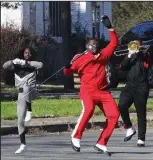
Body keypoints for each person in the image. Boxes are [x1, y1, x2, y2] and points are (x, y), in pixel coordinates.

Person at [63, 15, 119, 155]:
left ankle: (101, 143)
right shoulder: (80, 58)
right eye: (92, 45)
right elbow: (68, 72)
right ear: (87, 46)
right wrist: (67, 66)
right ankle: (76, 136)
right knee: (88, 110)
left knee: (114, 115)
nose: (95, 47)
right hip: (88, 91)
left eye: (97, 45)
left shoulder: (103, 55)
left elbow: (113, 43)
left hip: (103, 91)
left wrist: (110, 28)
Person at [2, 47, 43, 153]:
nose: (27, 54)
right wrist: (13, 61)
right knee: (20, 120)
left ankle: (30, 110)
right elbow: (4, 66)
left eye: (29, 53)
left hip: (32, 91)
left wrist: (27, 62)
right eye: (26, 53)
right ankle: (23, 144)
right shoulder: (17, 65)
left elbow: (40, 65)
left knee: (27, 88)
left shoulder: (32, 64)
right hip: (21, 94)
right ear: (22, 54)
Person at [118, 40, 150, 147]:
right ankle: (129, 127)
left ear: (140, 45)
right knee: (122, 105)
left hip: (142, 86)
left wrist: (138, 52)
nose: (134, 46)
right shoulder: (130, 55)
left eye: (136, 44)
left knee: (140, 112)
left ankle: (141, 138)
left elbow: (146, 62)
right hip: (130, 85)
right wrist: (129, 55)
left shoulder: (145, 54)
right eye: (132, 44)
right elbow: (122, 67)